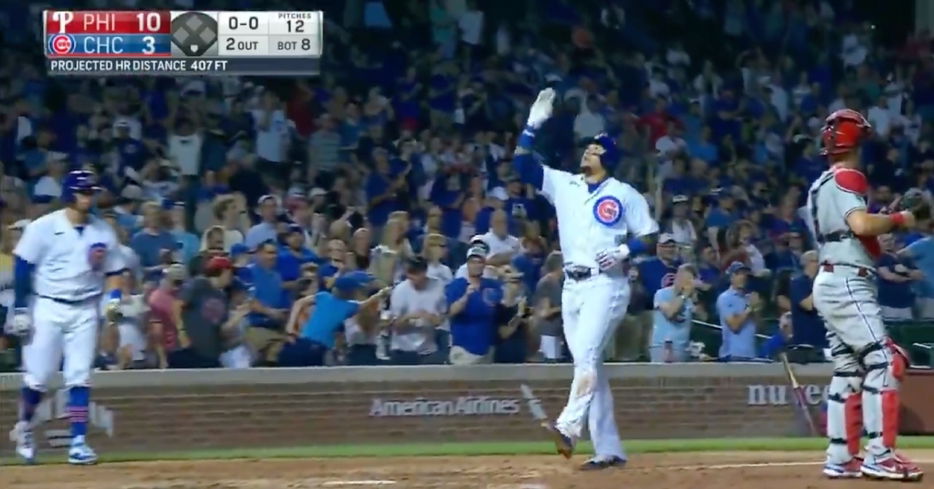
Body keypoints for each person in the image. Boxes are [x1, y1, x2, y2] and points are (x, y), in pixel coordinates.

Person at [513, 89, 658, 470]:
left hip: (606, 284)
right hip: (572, 286)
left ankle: (568, 427)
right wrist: (532, 125)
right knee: (589, 367)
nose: (586, 153)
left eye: (594, 151)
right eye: (587, 149)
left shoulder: (624, 194)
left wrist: (626, 251)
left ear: (607, 159)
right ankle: (609, 449)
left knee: (588, 358)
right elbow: (523, 167)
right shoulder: (565, 184)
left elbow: (651, 236)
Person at [806, 109, 922, 480]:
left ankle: (840, 457)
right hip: (846, 280)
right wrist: (902, 218)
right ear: (858, 141)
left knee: (848, 368)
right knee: (888, 361)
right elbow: (859, 223)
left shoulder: (819, 184)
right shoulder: (850, 175)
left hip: (830, 276)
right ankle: (880, 455)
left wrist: (884, 224)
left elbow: (858, 236)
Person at [9, 170, 126, 465]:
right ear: (69, 194)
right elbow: (22, 266)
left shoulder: (102, 231)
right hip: (47, 306)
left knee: (80, 377)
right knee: (37, 378)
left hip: (85, 307)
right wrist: (21, 307)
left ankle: (77, 441)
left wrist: (112, 302)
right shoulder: (44, 227)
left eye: (91, 192)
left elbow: (114, 272)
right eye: (83, 192)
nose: (89, 197)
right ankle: (23, 427)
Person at [174, 256, 249, 368]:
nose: (232, 277)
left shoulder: (222, 296)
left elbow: (222, 330)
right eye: (230, 272)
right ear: (223, 271)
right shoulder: (199, 284)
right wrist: (181, 332)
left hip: (211, 353)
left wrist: (238, 317)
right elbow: (177, 306)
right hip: (190, 349)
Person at [445, 244, 504, 365]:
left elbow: (504, 304)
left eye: (479, 262)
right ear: (467, 264)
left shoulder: (492, 285)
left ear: (484, 265)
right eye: (473, 262)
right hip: (463, 349)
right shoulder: (457, 285)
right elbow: (451, 312)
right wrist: (465, 296)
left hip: (488, 348)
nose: (476, 265)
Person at [388, 257, 446, 365]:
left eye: (415, 273)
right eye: (409, 272)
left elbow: (441, 319)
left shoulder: (437, 285)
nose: (411, 276)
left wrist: (429, 317)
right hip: (402, 350)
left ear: (424, 272)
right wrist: (409, 316)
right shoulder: (400, 290)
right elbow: (395, 326)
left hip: (428, 350)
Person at [650, 264, 698, 363]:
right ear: (676, 278)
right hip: (662, 347)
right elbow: (670, 313)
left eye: (690, 280)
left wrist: (696, 298)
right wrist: (684, 295)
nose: (686, 284)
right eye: (684, 279)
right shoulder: (661, 294)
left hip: (682, 348)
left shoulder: (690, 299)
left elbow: (703, 317)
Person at [715, 262, 760, 361]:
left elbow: (759, 327)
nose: (743, 277)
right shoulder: (725, 298)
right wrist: (750, 308)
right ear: (731, 277)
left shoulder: (749, 298)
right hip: (733, 354)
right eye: (739, 274)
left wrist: (756, 309)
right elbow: (734, 326)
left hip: (751, 354)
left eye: (745, 274)